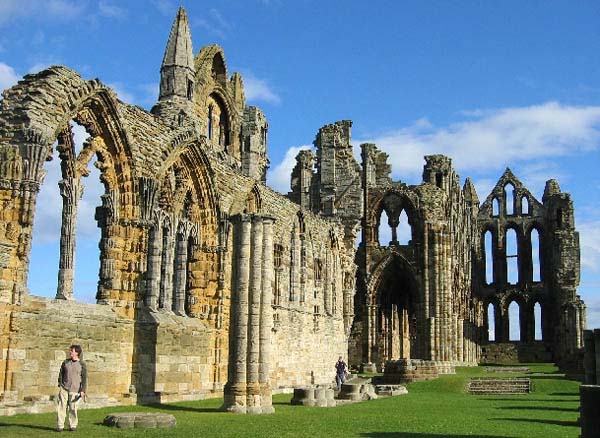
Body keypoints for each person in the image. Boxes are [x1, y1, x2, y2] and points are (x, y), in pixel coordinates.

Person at [56, 345, 87, 432]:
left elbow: (84, 378)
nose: (70, 352)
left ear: (76, 353)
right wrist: (60, 384)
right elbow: (61, 373)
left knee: (73, 408)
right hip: (64, 388)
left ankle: (72, 425)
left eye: (72, 351)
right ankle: (60, 426)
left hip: (75, 389)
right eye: (70, 350)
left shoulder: (82, 364)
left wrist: (83, 390)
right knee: (61, 407)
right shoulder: (65, 362)